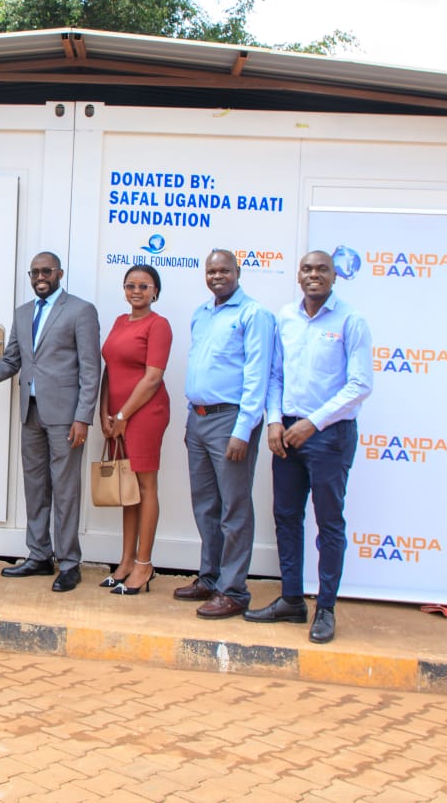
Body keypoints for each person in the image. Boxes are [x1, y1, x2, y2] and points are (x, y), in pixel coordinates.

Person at [0, 251, 101, 593]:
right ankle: (38, 555)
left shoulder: (80, 311)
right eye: (34, 272)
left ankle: (69, 563)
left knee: (65, 490)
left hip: (65, 418)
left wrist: (83, 417)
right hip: (31, 413)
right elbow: (10, 362)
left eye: (46, 271)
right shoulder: (23, 313)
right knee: (35, 487)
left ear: (59, 273)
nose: (39, 277)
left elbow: (92, 370)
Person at [246, 251, 372, 644]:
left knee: (329, 524)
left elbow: (360, 385)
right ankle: (291, 600)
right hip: (286, 434)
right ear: (298, 276)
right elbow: (275, 374)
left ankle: (326, 608)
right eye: (307, 269)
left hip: (329, 436)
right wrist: (273, 422)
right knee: (286, 517)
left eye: (322, 269)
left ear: (335, 276)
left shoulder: (351, 321)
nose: (314, 275)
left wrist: (312, 423)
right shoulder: (285, 317)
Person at [175, 251, 274, 618]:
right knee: (206, 506)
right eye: (211, 270)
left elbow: (257, 374)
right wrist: (191, 419)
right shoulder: (201, 314)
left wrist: (243, 429)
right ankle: (210, 577)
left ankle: (234, 590)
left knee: (234, 508)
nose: (217, 276)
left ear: (238, 272)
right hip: (198, 419)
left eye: (224, 270)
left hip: (231, 421)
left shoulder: (254, 315)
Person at [99, 264, 172, 596]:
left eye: (144, 286)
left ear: (155, 291)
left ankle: (144, 564)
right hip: (116, 416)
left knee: (144, 486)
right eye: (131, 285)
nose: (137, 291)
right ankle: (126, 561)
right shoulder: (117, 322)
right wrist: (104, 413)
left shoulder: (159, 325)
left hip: (145, 413)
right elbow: (109, 370)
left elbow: (153, 377)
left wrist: (125, 413)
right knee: (127, 488)